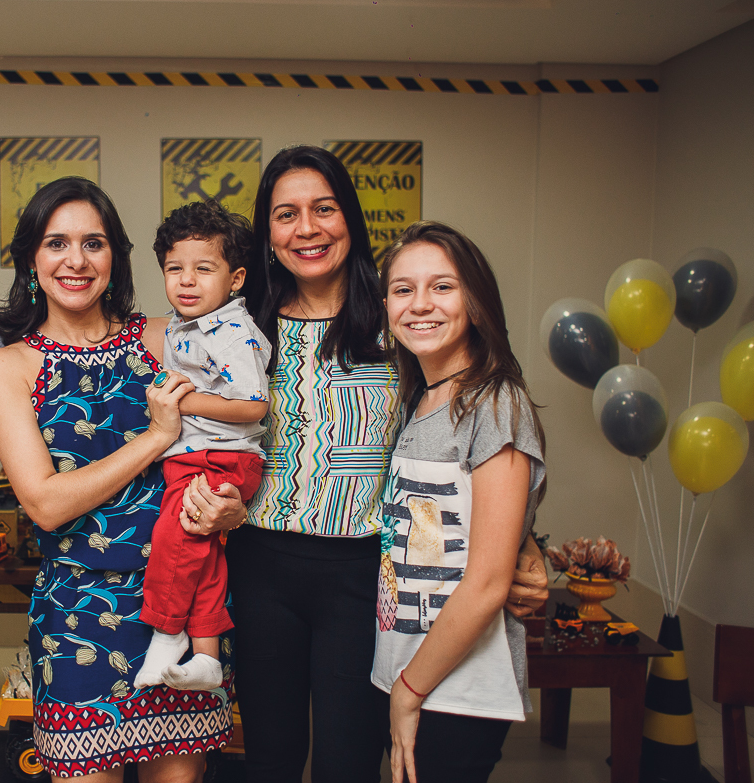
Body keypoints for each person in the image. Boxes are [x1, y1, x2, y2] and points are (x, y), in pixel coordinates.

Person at [170, 145, 551, 783]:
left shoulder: (399, 322)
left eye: (324, 208)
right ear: (266, 231)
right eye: (286, 214)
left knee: (350, 762)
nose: (307, 228)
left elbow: (460, 446)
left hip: (364, 573)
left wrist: (525, 542)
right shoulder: (240, 321)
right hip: (259, 560)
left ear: (350, 215)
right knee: (267, 756)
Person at [0, 177, 233, 782]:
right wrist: (154, 437)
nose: (76, 260)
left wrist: (232, 507)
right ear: (30, 259)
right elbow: (44, 503)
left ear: (115, 256)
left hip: (180, 607)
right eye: (56, 243)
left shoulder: (164, 338)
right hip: (77, 616)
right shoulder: (11, 366)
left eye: (93, 243)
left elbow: (232, 443)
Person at [373, 221, 546, 783]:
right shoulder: (418, 400)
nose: (420, 304)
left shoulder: (496, 401)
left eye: (442, 287)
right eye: (403, 289)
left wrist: (409, 690)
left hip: (456, 687)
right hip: (411, 672)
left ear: (475, 300)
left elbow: (489, 581)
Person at [133, 200, 270, 693]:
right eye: (175, 268)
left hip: (221, 455)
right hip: (197, 454)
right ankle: (208, 655)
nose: (186, 280)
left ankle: (168, 631)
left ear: (235, 279)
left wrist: (185, 403)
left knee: (175, 538)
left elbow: (254, 405)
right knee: (204, 553)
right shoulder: (181, 324)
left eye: (203, 269)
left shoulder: (231, 331)